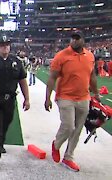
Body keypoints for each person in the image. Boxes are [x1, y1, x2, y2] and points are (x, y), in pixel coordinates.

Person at [44, 31, 99, 172]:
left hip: (84, 97)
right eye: (72, 38)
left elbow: (92, 77)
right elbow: (52, 78)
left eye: (77, 38)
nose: (74, 41)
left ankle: (69, 157)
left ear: (83, 40)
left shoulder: (90, 56)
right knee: (68, 126)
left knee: (78, 129)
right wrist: (48, 97)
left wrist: (97, 93)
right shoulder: (61, 56)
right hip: (65, 97)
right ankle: (56, 145)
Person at [0, 35, 30, 170]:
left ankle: (0, 143)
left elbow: (22, 80)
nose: (5, 47)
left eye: (7, 44)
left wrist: (27, 99)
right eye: (2, 45)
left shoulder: (16, 61)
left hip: (9, 99)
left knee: (6, 123)